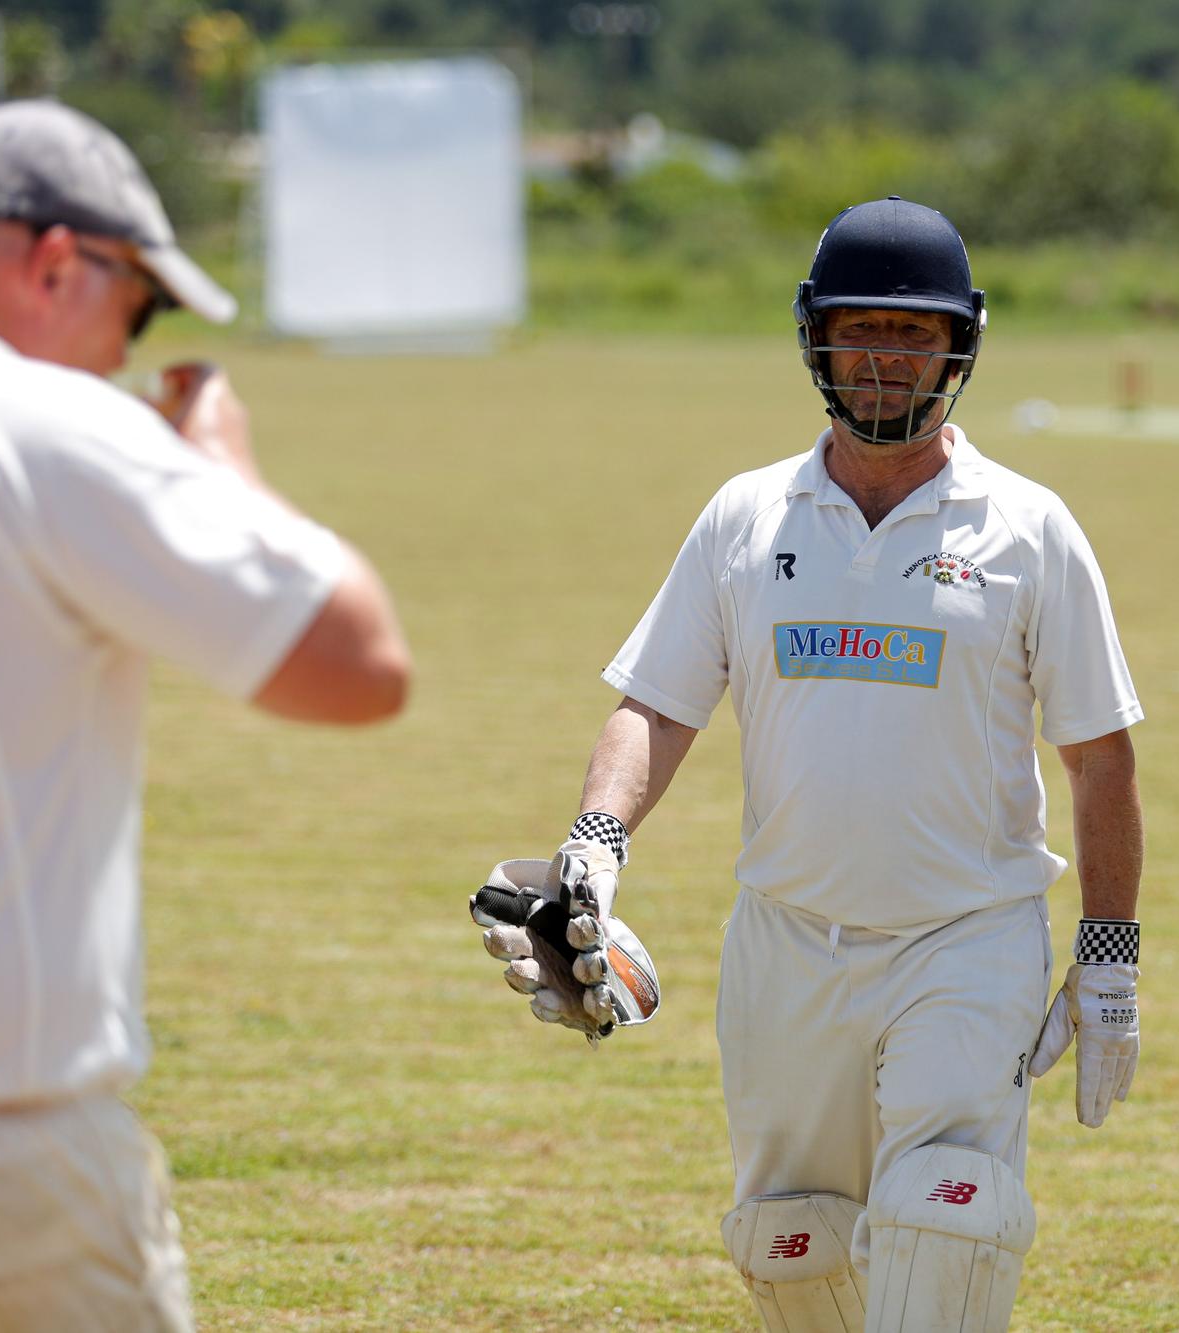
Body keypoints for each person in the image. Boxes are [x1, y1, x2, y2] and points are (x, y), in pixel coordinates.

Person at [474, 196, 1144, 1333]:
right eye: (859, 330)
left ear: (959, 346)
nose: (882, 359)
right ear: (815, 337)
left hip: (963, 938)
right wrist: (594, 840)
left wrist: (1109, 952)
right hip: (783, 943)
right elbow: (658, 705)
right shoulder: (744, 516)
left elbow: (1099, 759)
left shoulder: (1029, 529)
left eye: (911, 334)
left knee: (948, 1222)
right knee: (792, 1249)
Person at [0, 100, 411, 1331]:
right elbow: (359, 661)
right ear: (56, 261)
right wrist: (224, 476)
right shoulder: (35, 420)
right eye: (135, 309)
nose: (122, 351)